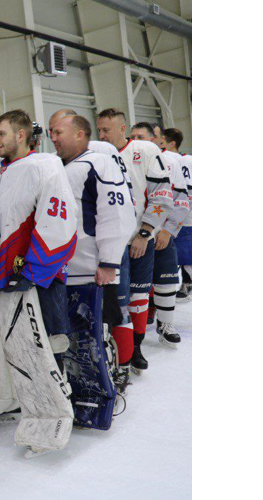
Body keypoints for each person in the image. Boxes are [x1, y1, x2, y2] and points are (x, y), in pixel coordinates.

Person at [0, 109, 78, 457]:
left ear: (21, 135)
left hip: (33, 278)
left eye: (2, 133)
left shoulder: (45, 166)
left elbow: (58, 220)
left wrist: (32, 270)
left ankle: (53, 414)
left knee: (43, 345)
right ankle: (6, 396)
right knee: (2, 344)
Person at [50, 113, 137, 392]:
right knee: (72, 339)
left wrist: (109, 261)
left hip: (92, 269)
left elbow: (117, 214)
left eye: (59, 131)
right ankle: (79, 390)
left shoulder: (98, 163)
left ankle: (105, 387)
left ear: (80, 134)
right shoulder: (58, 167)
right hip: (62, 270)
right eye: (50, 132)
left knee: (97, 334)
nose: (53, 137)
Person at [96, 109, 174, 374]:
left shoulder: (144, 150)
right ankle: (117, 352)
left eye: (107, 130)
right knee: (116, 301)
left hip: (138, 239)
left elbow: (162, 194)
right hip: (110, 244)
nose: (102, 135)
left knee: (139, 295)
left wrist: (144, 233)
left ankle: (136, 347)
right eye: (99, 130)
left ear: (122, 128)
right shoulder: (97, 154)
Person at [129, 124, 191, 347]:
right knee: (137, 287)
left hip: (160, 233)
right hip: (133, 235)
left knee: (165, 281)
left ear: (157, 140)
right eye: (133, 137)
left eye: (142, 137)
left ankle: (166, 324)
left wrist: (167, 230)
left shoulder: (170, 161)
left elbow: (182, 199)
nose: (137, 141)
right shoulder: (122, 158)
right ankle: (133, 335)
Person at [158, 129, 193, 301]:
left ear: (172, 143)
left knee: (185, 254)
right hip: (173, 213)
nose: (159, 143)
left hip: (184, 214)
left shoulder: (184, 160)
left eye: (163, 140)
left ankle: (187, 283)